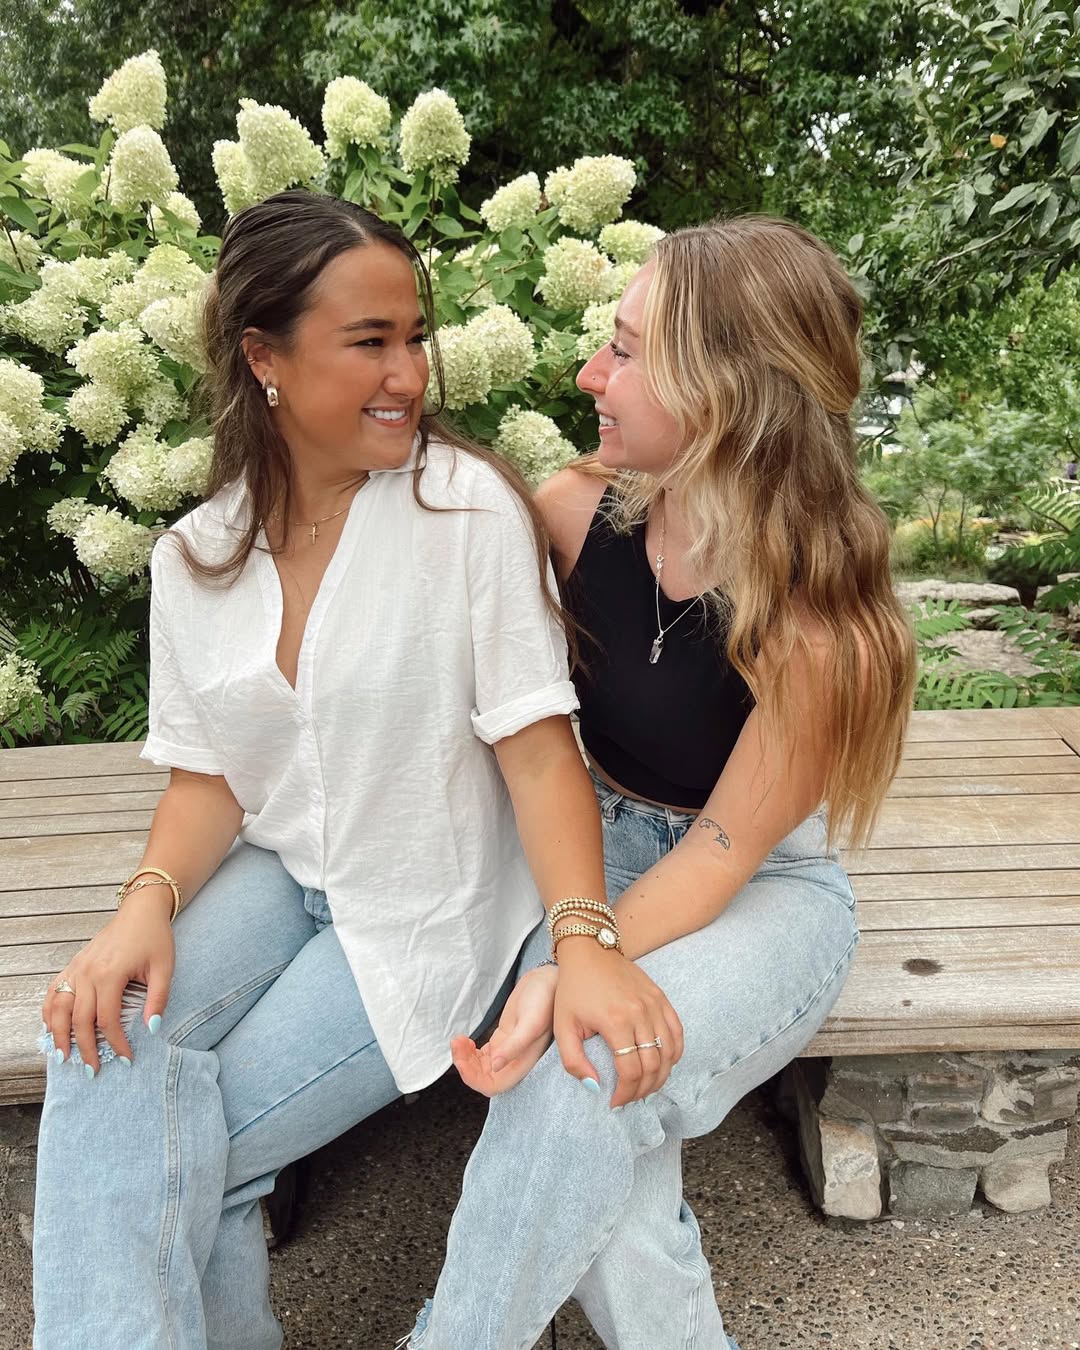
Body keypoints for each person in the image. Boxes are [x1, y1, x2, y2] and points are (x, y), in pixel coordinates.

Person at [33, 190, 678, 1350]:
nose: (407, 374)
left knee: (191, 1152)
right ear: (263, 358)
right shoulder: (197, 557)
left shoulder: (466, 514)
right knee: (93, 1033)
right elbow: (210, 780)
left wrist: (581, 938)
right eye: (369, 342)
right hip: (287, 876)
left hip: (428, 911)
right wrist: (144, 904)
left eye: (414, 337)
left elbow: (540, 755)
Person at [405, 217, 917, 1350]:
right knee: (601, 1135)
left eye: (628, 351)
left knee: (580, 1070)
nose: (591, 373)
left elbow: (725, 850)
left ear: (727, 391)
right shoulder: (577, 510)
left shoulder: (822, 623)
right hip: (585, 849)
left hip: (756, 889)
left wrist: (569, 960)